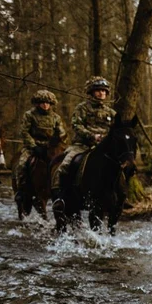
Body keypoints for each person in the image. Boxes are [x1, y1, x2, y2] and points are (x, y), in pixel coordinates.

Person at [52, 76, 115, 213]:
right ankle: (60, 197)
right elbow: (76, 125)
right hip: (82, 145)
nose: (101, 93)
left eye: (104, 91)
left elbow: (116, 129)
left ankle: (117, 197)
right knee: (64, 165)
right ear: (92, 92)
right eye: (98, 90)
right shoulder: (82, 108)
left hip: (104, 148)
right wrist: (92, 136)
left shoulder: (111, 112)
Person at [15, 90, 67, 193]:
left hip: (50, 147)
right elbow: (24, 132)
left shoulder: (56, 117)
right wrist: (34, 146)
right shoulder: (29, 115)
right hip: (33, 147)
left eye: (47, 103)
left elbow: (61, 132)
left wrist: (59, 140)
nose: (45, 105)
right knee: (21, 164)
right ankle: (20, 190)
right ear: (38, 104)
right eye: (42, 103)